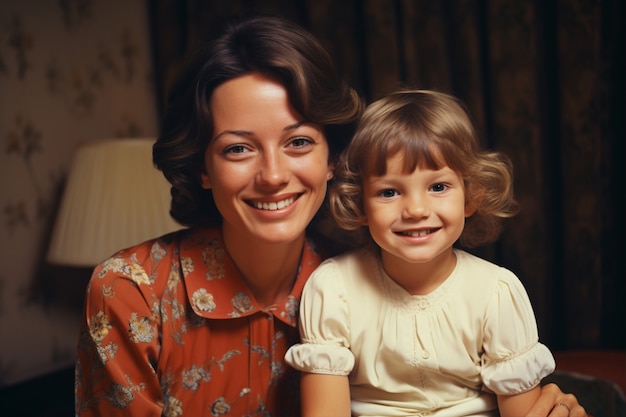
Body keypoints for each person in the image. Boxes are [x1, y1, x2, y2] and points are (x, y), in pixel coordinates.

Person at [74, 13, 587, 417]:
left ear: (333, 160)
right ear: (202, 166)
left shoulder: (368, 275)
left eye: (298, 142)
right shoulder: (130, 294)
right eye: (237, 150)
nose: (273, 175)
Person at [286, 89, 578, 417]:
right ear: (360, 205)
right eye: (389, 191)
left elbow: (525, 413)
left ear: (471, 196)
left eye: (438, 187)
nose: (416, 209)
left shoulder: (497, 292)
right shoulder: (333, 288)